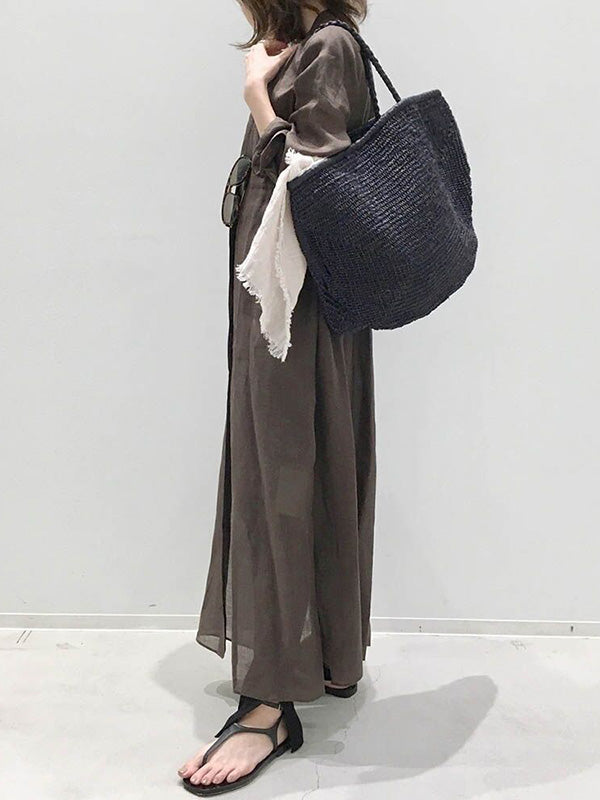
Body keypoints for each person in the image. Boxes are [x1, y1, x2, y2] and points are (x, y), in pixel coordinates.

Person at [179, 0, 376, 793]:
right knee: (305, 464)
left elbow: (315, 178)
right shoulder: (314, 44)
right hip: (291, 309)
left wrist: (258, 98)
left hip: (292, 319)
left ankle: (268, 705)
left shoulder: (326, 47)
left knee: (278, 476)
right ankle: (325, 657)